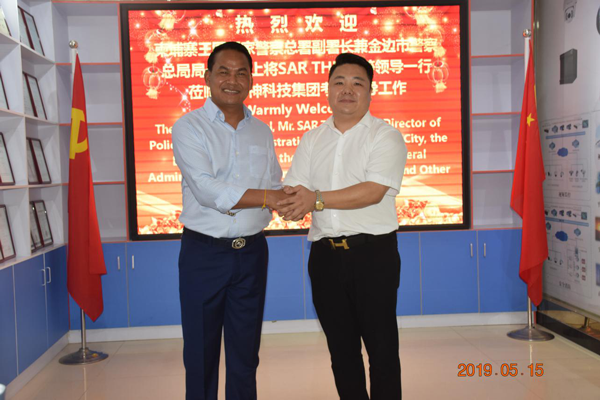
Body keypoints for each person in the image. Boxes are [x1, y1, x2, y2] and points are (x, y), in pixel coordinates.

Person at [278, 53, 408, 399]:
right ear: (327, 90)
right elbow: (296, 189)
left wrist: (315, 199)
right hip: (325, 258)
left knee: (382, 351)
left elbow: (373, 191)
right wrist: (288, 204)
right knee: (341, 352)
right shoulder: (312, 138)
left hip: (373, 256)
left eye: (357, 83)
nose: (347, 90)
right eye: (339, 82)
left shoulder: (385, 136)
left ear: (370, 91)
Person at [172, 42, 288, 400]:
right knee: (200, 356)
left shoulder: (262, 130)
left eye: (241, 73)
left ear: (251, 80)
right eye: (224, 72)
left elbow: (274, 184)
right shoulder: (188, 127)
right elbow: (207, 190)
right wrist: (270, 197)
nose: (232, 80)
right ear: (208, 77)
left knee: (245, 356)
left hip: (252, 254)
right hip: (204, 255)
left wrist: (298, 197)